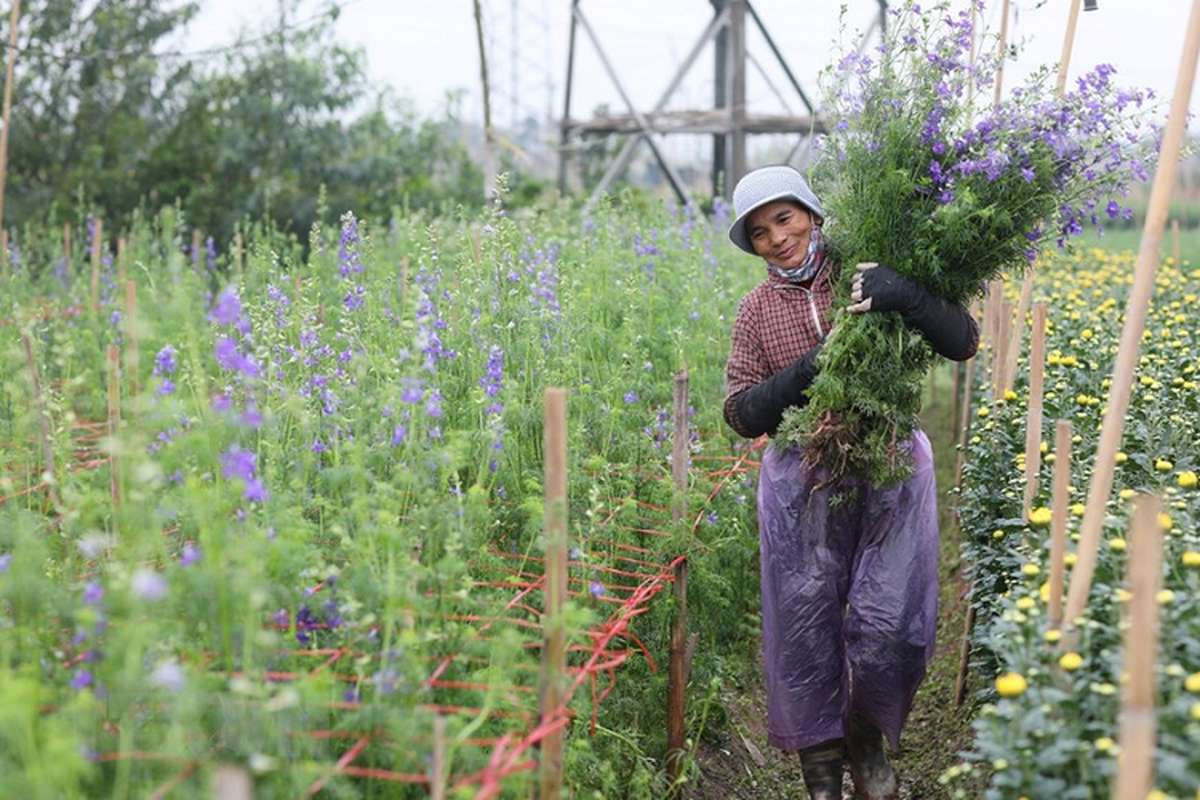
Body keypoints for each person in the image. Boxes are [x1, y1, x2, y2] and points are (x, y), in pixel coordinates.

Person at [722, 165, 978, 799]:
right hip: (800, 486)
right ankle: (820, 769)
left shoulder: (865, 268)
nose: (777, 238)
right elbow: (739, 411)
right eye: (759, 233)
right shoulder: (755, 311)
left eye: (784, 218)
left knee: (891, 621)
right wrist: (813, 367)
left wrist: (906, 294)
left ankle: (865, 738)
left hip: (889, 467)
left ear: (810, 212)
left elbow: (963, 340)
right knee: (805, 625)